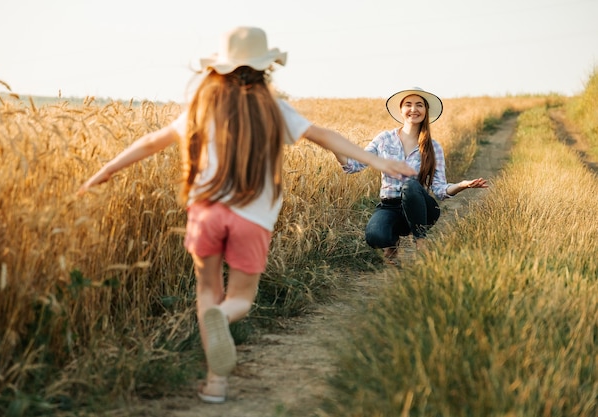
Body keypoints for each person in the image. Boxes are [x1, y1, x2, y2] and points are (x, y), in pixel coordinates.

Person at [77, 26, 417, 403]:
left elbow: (149, 141)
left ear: (218, 69)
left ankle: (216, 383)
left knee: (207, 291)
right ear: (265, 68)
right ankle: (224, 325)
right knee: (236, 299)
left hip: (205, 212)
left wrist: (106, 171)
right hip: (252, 218)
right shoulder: (275, 109)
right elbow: (324, 136)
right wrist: (375, 159)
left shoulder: (202, 107)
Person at [333, 87, 488, 266]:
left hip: (421, 209)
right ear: (401, 110)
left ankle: (420, 241)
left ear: (426, 111)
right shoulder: (384, 139)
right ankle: (391, 243)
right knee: (375, 236)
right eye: (408, 104)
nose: (413, 109)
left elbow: (439, 190)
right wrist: (335, 148)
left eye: (419, 105)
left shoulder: (433, 147)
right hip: (389, 206)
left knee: (410, 186)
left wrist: (462, 185)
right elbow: (353, 166)